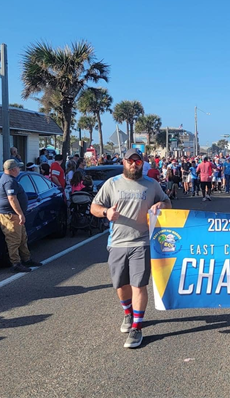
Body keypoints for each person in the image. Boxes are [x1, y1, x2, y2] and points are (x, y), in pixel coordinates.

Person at [90, 148, 171, 349]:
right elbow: (94, 207)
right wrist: (106, 212)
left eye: (138, 161)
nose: (134, 164)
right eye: (130, 161)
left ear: (142, 163)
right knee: (120, 285)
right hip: (117, 243)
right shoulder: (112, 184)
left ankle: (137, 327)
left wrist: (160, 205)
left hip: (142, 242)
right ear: (124, 162)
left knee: (139, 285)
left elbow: (167, 202)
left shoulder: (151, 185)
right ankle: (128, 313)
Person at [0, 159, 41, 273]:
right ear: (12, 169)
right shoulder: (9, 181)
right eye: (18, 167)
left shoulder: (11, 180)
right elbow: (12, 198)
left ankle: (26, 258)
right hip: (9, 214)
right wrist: (20, 214)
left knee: (22, 237)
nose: (19, 169)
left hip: (13, 214)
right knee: (14, 239)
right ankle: (16, 263)